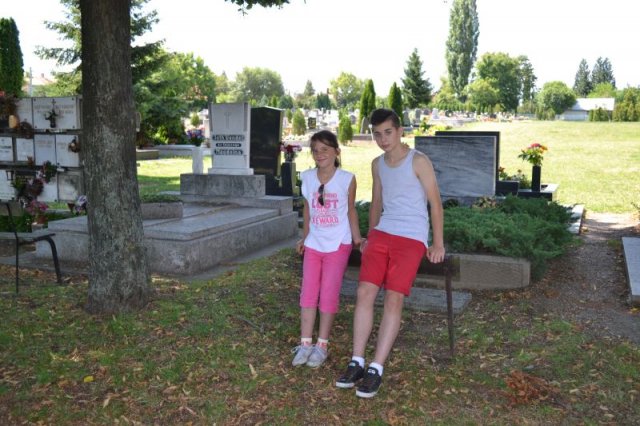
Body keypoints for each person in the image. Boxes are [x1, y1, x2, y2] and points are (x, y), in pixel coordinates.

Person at [335, 108, 445, 398]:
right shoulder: (377, 164)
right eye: (377, 134)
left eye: (388, 132)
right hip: (383, 232)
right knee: (364, 292)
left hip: (411, 236)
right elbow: (377, 202)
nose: (383, 139)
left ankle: (376, 367)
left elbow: (435, 203)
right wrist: (371, 234)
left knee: (394, 297)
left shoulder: (418, 161)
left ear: (399, 131)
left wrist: (437, 243)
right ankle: (357, 361)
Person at [292, 130, 363, 368]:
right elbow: (307, 210)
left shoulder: (346, 179)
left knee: (328, 293)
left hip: (338, 243)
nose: (319, 154)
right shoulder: (307, 177)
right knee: (308, 292)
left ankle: (321, 345)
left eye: (325, 149)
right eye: (315, 150)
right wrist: (305, 237)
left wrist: (357, 239)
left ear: (336, 152)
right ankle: (305, 343)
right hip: (314, 243)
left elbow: (351, 210)